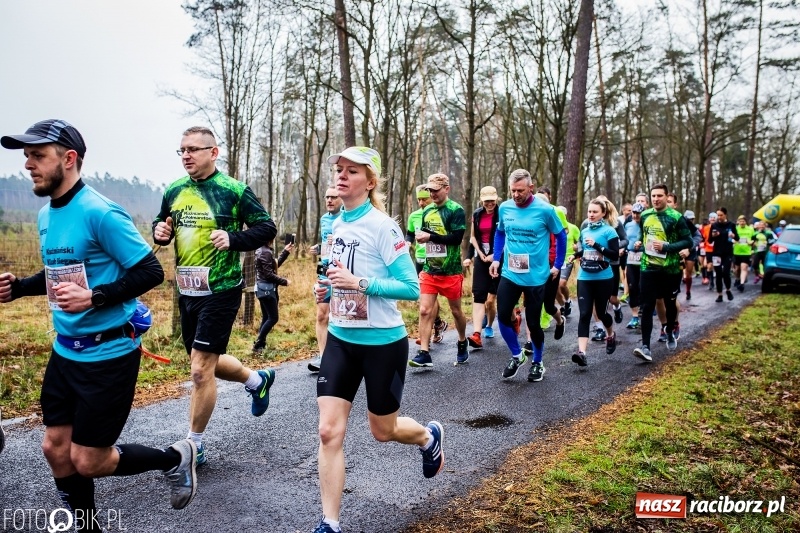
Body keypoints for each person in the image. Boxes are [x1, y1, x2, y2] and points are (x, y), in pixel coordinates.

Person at [0, 119, 197, 530]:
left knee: (88, 460)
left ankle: (176, 458)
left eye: (38, 156)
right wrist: (19, 287)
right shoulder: (44, 216)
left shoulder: (100, 212)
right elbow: (60, 275)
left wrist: (96, 297)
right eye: (26, 157)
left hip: (108, 355)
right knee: (55, 448)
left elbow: (149, 272)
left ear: (69, 159)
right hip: (65, 352)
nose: (28, 165)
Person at [312, 147, 443, 533]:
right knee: (328, 431)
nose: (342, 176)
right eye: (339, 169)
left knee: (382, 431)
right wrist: (330, 288)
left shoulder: (383, 226)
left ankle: (427, 435)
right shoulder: (336, 224)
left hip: (383, 343)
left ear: (369, 182)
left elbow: (410, 287)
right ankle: (330, 523)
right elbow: (340, 273)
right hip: (341, 339)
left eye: (352, 171)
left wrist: (360, 284)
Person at [153, 126, 278, 467]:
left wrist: (234, 239)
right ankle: (256, 380)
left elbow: (267, 228)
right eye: (181, 150)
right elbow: (161, 225)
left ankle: (194, 446)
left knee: (198, 370)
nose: (186, 156)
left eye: (193, 149)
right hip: (187, 290)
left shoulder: (234, 191)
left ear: (213, 152)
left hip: (221, 289)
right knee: (204, 360)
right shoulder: (175, 190)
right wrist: (159, 232)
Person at [490, 169, 566, 382]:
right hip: (511, 272)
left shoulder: (545, 210)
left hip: (536, 277)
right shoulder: (504, 208)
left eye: (520, 191)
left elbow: (561, 236)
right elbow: (500, 232)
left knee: (533, 323)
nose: (516, 195)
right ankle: (517, 355)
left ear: (530, 188)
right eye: (512, 190)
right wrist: (496, 258)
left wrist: (558, 265)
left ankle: (538, 362)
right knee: (503, 315)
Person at [408, 173, 469, 367]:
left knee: (456, 311)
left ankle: (461, 341)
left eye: (436, 189)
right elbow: (427, 236)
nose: (432, 193)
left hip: (450, 270)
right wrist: (420, 238)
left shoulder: (456, 210)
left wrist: (430, 237)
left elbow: (456, 239)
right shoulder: (427, 212)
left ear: (446, 189)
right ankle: (424, 353)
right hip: (430, 269)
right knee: (425, 310)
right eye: (430, 190)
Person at [632, 184, 693, 362]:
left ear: (667, 197)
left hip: (670, 269)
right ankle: (645, 347)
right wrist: (638, 243)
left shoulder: (676, 217)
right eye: (653, 196)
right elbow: (642, 236)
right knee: (647, 306)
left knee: (670, 303)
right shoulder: (645, 215)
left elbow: (687, 241)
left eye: (660, 195)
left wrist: (667, 247)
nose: (656, 199)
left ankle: (670, 330)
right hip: (648, 267)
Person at [570, 198, 620, 366]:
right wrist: (575, 255)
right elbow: (585, 251)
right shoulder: (584, 231)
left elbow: (614, 254)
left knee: (601, 313)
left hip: (603, 278)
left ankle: (610, 334)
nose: (591, 215)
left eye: (594, 212)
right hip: (584, 277)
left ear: (603, 214)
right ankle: (582, 352)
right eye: (589, 211)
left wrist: (598, 245)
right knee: (584, 314)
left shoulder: (610, 232)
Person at [406, 185, 448, 346]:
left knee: (430, 296)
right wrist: (407, 243)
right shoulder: (414, 215)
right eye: (419, 199)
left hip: (437, 260)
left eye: (425, 199)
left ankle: (432, 329)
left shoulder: (441, 214)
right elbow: (410, 233)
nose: (421, 202)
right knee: (425, 296)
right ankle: (436, 324)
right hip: (420, 259)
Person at [308, 188, 343, 373]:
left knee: (341, 315)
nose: (329, 200)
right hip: (324, 270)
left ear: (341, 198)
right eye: (327, 197)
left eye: (333, 197)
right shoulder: (323, 219)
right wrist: (319, 247)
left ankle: (345, 355)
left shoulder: (347, 216)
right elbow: (327, 247)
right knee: (322, 314)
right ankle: (324, 358)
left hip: (343, 272)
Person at [463, 185, 500, 348]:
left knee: (493, 300)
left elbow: (507, 236)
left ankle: (495, 324)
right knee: (478, 295)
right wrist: (475, 254)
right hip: (481, 258)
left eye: (492, 200)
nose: (489, 204)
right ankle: (477, 333)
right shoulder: (477, 214)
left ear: (496, 199)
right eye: (486, 201)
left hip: (499, 259)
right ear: (481, 201)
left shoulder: (503, 213)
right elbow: (472, 237)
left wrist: (495, 255)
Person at [252, 237, 294, 354]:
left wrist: (285, 252)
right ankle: (258, 343)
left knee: (266, 317)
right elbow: (269, 275)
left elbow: (273, 266)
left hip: (262, 288)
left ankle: (260, 345)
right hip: (267, 290)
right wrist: (284, 281)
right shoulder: (265, 251)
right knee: (273, 318)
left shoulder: (262, 250)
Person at [708, 207, 738, 303]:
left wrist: (733, 236)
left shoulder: (731, 225)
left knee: (726, 272)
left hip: (727, 253)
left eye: (721, 215)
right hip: (717, 253)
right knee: (718, 274)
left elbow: (737, 237)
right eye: (718, 215)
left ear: (725, 215)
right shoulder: (714, 225)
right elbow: (709, 240)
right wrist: (714, 236)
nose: (719, 217)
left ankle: (728, 290)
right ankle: (720, 294)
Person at [624, 202, 645, 329]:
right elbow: (624, 239)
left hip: (644, 258)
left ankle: (645, 307)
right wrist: (623, 248)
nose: (636, 215)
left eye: (638, 213)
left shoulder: (646, 224)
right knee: (632, 286)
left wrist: (641, 245)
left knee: (642, 286)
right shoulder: (628, 225)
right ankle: (635, 316)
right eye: (634, 212)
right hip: (631, 258)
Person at [732, 215, 755, 291]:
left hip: (746, 252)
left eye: (743, 221)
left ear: (746, 222)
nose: (742, 222)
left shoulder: (750, 229)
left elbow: (754, 239)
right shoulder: (735, 229)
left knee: (744, 267)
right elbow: (731, 239)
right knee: (736, 270)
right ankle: (738, 279)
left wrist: (751, 243)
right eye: (740, 221)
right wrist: (733, 241)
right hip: (737, 252)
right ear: (738, 222)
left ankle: (742, 284)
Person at [701, 212, 718, 288]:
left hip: (717, 249)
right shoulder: (706, 228)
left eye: (714, 217)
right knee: (709, 266)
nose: (712, 219)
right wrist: (702, 243)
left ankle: (718, 280)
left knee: (717, 265)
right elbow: (703, 238)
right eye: (711, 217)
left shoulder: (719, 227)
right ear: (709, 219)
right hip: (708, 249)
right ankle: (711, 282)